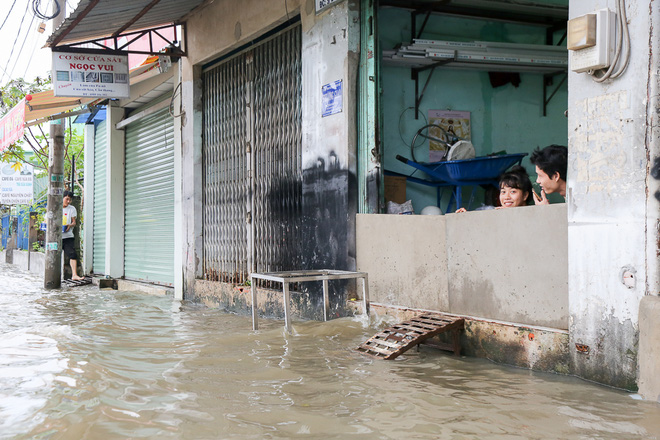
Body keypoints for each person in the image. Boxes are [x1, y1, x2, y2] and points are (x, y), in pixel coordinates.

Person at [456, 165, 532, 212]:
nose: (507, 197)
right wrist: (466, 216)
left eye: (512, 191)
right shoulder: (495, 212)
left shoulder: (533, 213)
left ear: (525, 195)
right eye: (503, 192)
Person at [62, 191, 84, 281]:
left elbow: (74, 222)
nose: (68, 201)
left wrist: (69, 226)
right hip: (56, 237)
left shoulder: (72, 209)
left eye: (70, 200)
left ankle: (74, 274)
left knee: (72, 254)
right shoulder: (55, 207)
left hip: (68, 236)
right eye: (67, 199)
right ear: (62, 198)